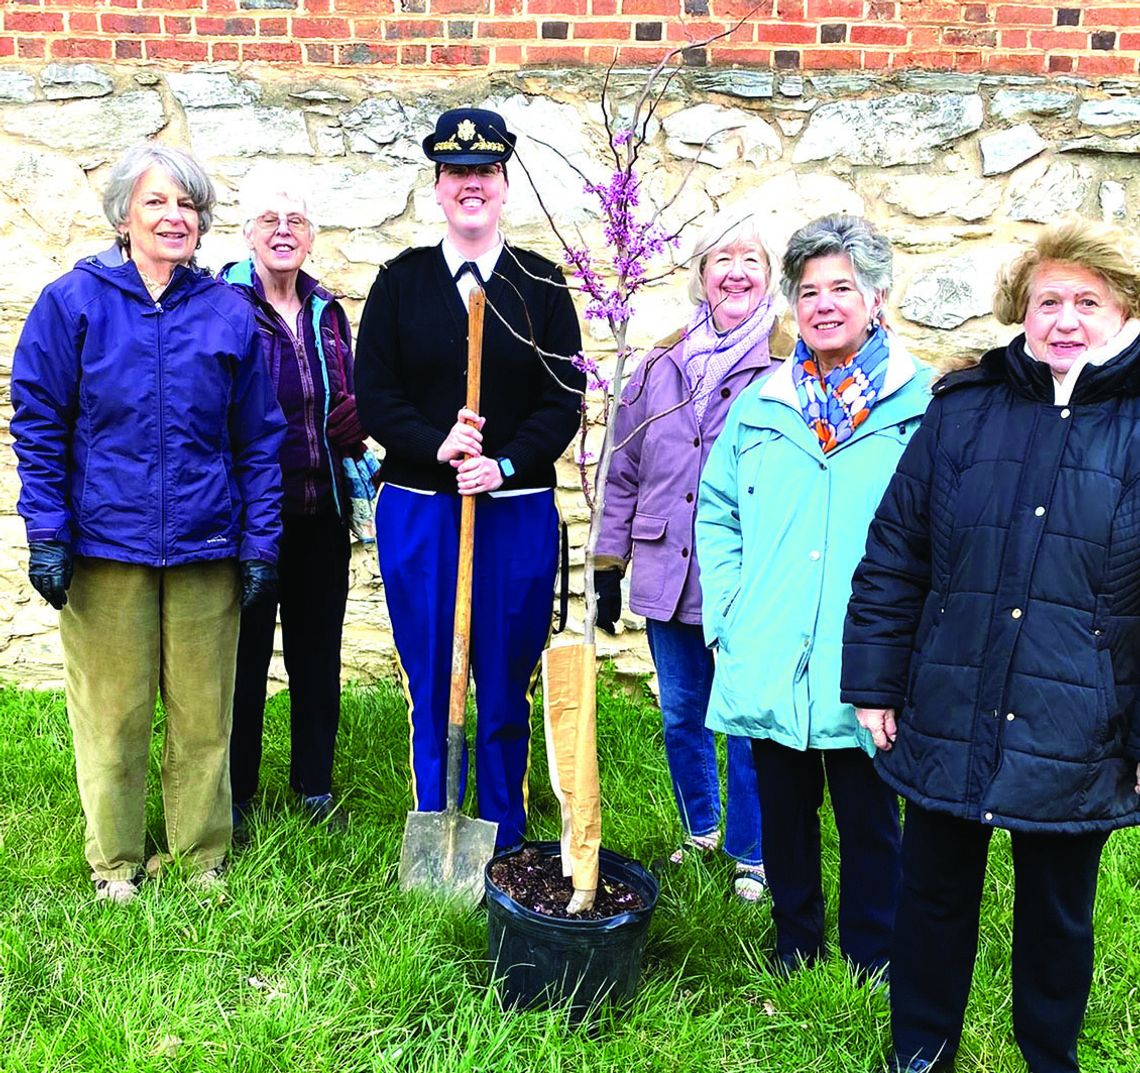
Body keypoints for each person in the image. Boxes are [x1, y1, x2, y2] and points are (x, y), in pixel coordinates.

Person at [842, 218, 1140, 1073]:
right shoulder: (965, 410)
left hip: (1081, 719)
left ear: (1123, 312)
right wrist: (876, 681)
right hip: (950, 700)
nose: (1066, 318)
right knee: (932, 895)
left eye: (1088, 300)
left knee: (1058, 909)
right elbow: (897, 553)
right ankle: (920, 1048)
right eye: (1049, 300)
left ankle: (1048, 1054)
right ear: (1023, 310)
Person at [9, 143, 284, 903]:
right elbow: (38, 422)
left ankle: (199, 857)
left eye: (188, 205)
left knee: (203, 716)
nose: (175, 217)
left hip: (205, 547)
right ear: (124, 214)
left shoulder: (229, 312)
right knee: (112, 715)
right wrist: (48, 532)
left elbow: (260, 438)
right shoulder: (74, 303)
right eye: (159, 202)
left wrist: (260, 542)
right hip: (105, 548)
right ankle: (117, 863)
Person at [696, 214, 931, 977]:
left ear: (877, 298)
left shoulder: (920, 405)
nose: (824, 304)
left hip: (868, 656)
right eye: (808, 291)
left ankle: (873, 953)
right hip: (770, 643)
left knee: (871, 816)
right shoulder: (761, 403)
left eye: (842, 288)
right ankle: (794, 943)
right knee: (785, 813)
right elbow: (718, 510)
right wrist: (728, 615)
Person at [354, 108, 585, 852]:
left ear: (505, 183)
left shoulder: (542, 288)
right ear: (439, 187)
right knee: (429, 671)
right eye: (457, 173)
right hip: (422, 506)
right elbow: (375, 392)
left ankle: (501, 826)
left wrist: (503, 461)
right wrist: (438, 444)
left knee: (504, 673)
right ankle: (438, 813)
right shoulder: (400, 283)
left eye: (484, 171)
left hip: (513, 509)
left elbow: (563, 398)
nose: (471, 184)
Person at [595, 211, 782, 901]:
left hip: (746, 578)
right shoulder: (659, 362)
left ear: (769, 276)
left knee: (744, 719)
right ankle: (700, 829)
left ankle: (752, 851)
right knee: (681, 711)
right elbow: (623, 467)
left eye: (750, 259)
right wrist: (608, 563)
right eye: (721, 259)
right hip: (668, 571)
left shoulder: (788, 363)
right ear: (700, 275)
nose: (735, 272)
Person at [220, 166, 367, 837]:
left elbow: (347, 394)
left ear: (311, 237)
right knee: (242, 661)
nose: (283, 231)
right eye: (270, 220)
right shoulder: (221, 302)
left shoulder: (325, 308)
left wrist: (357, 417)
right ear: (247, 231)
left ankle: (313, 787)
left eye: (296, 221)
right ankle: (237, 794)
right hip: (246, 519)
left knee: (317, 655)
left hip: (320, 511)